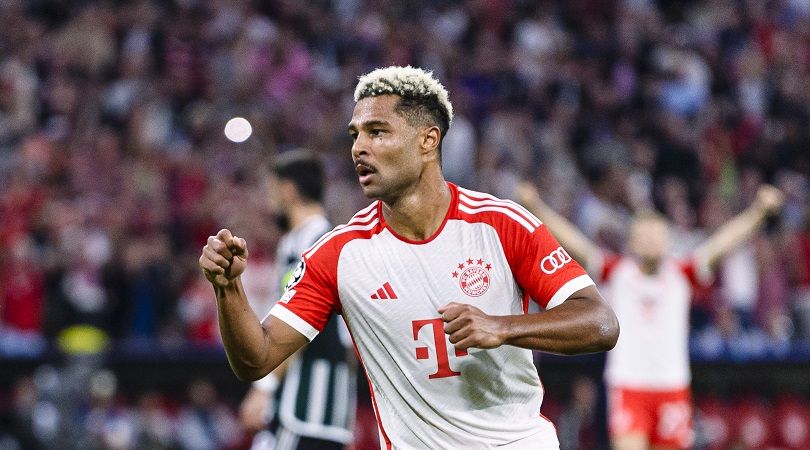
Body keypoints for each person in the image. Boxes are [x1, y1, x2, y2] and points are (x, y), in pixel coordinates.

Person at [199, 66, 619, 449]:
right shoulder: (337, 254)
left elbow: (600, 324)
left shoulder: (501, 225)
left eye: (377, 132)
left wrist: (502, 327)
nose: (359, 148)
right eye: (354, 135)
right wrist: (228, 288)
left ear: (427, 140)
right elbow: (257, 358)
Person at [517, 182, 784, 450]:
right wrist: (536, 206)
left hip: (672, 386)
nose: (651, 240)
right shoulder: (618, 272)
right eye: (644, 235)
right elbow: (575, 243)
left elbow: (722, 243)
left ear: (667, 241)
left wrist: (758, 212)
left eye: (656, 234)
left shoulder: (682, 273)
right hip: (628, 384)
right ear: (632, 241)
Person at [238, 150, 356, 450]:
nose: (269, 202)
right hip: (331, 407)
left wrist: (264, 388)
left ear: (288, 191)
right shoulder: (330, 240)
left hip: (303, 405)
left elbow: (295, 324)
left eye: (271, 192)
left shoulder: (307, 245)